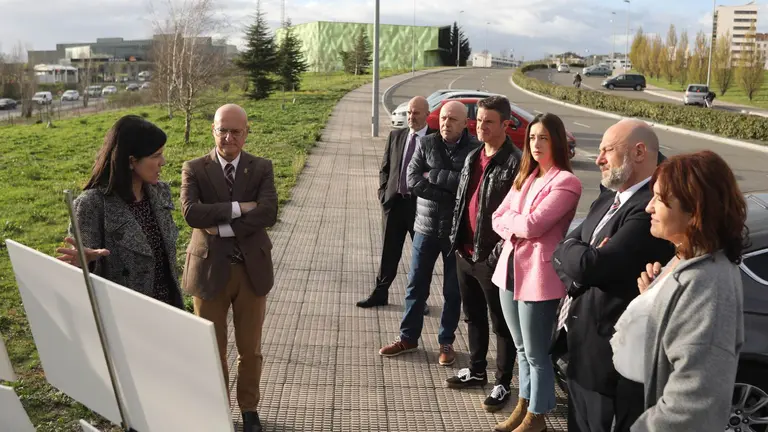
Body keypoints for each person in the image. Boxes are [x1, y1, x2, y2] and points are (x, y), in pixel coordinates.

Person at [552, 118, 675, 432]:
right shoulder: (609, 196)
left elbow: (593, 265)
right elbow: (564, 253)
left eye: (607, 150)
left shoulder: (649, 208)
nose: (598, 159)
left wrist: (578, 257)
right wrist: (577, 258)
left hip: (610, 365)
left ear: (638, 152)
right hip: (579, 349)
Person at [613, 151, 747, 432]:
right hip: (635, 402)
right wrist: (656, 296)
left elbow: (693, 401)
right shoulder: (686, 258)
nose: (648, 208)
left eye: (660, 200)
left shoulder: (708, 283)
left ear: (695, 211)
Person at [180, 104, 278, 432]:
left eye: (236, 131)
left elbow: (268, 213)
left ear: (246, 132)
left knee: (250, 349)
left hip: (251, 272)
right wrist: (239, 207)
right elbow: (192, 214)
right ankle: (216, 408)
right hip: (209, 273)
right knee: (211, 348)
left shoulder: (261, 168)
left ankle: (249, 409)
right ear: (213, 130)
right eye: (223, 130)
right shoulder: (194, 168)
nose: (228, 137)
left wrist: (221, 225)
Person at [490, 113, 582, 432]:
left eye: (543, 137)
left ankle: (538, 415)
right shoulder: (527, 177)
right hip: (510, 272)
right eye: (532, 138)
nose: (536, 144)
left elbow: (534, 224)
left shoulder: (567, 182)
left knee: (536, 351)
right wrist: (516, 225)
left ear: (556, 140)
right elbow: (497, 217)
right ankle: (525, 405)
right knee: (520, 347)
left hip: (538, 278)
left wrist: (514, 225)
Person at [378, 101, 480, 366]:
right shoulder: (427, 144)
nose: (446, 123)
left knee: (452, 291)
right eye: (444, 118)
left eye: (453, 119)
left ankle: (446, 342)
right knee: (415, 286)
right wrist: (447, 192)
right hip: (424, 227)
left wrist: (433, 174)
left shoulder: (474, 149)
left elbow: (468, 185)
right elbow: (413, 181)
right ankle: (408, 338)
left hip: (455, 232)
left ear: (464, 123)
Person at [56, 115, 184, 309]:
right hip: (124, 315)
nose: (163, 162)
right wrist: (85, 264)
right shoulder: (92, 204)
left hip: (168, 309)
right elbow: (81, 274)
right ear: (132, 161)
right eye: (156, 156)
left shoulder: (160, 192)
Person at [445, 96, 522, 413]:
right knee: (472, 316)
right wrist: (455, 240)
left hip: (493, 258)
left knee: (501, 323)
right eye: (479, 121)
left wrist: (495, 255)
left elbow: (516, 217)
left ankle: (503, 383)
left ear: (505, 124)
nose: (481, 127)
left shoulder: (515, 163)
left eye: (489, 122)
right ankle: (477, 371)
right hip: (464, 252)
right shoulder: (473, 156)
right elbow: (463, 201)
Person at [357, 96, 435, 316]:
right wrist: (383, 193)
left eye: (416, 113)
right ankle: (380, 293)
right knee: (388, 252)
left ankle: (420, 299)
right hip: (394, 203)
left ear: (427, 114)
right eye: (409, 112)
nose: (411, 117)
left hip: (421, 207)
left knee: (422, 256)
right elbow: (385, 167)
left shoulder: (434, 140)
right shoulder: (396, 136)